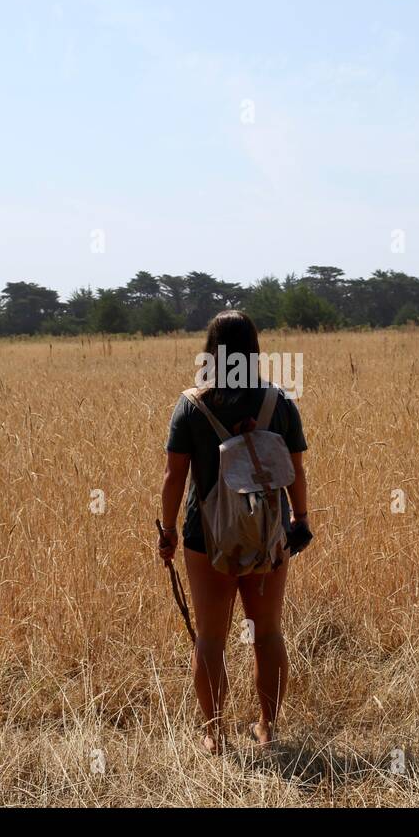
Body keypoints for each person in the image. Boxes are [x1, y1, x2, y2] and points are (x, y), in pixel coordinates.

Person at [158, 310, 310, 753]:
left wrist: (166, 530)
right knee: (267, 632)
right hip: (268, 535)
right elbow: (296, 471)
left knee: (210, 637)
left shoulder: (191, 404)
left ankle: (215, 733)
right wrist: (299, 519)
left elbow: (173, 477)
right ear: (254, 350)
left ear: (211, 350)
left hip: (205, 538)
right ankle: (266, 727)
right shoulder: (279, 402)